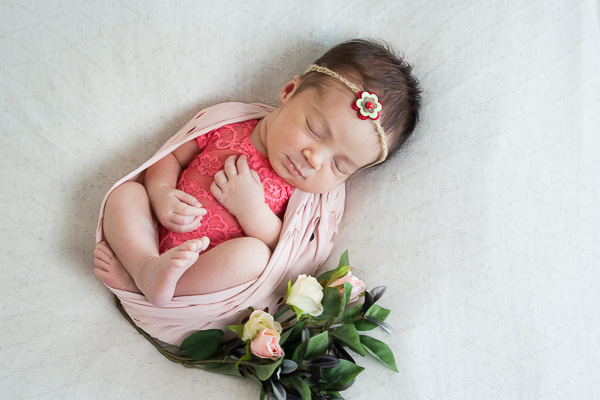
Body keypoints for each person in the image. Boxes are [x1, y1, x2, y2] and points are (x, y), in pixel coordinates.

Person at [93, 39, 422, 311]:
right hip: (158, 233)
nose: (315, 159)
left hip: (209, 271)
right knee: (126, 194)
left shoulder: (304, 198)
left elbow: (284, 250)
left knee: (253, 256)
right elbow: (172, 156)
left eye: (339, 165)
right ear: (289, 91)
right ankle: (143, 266)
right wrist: (161, 192)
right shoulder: (230, 124)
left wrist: (251, 210)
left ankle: (161, 290)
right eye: (314, 130)